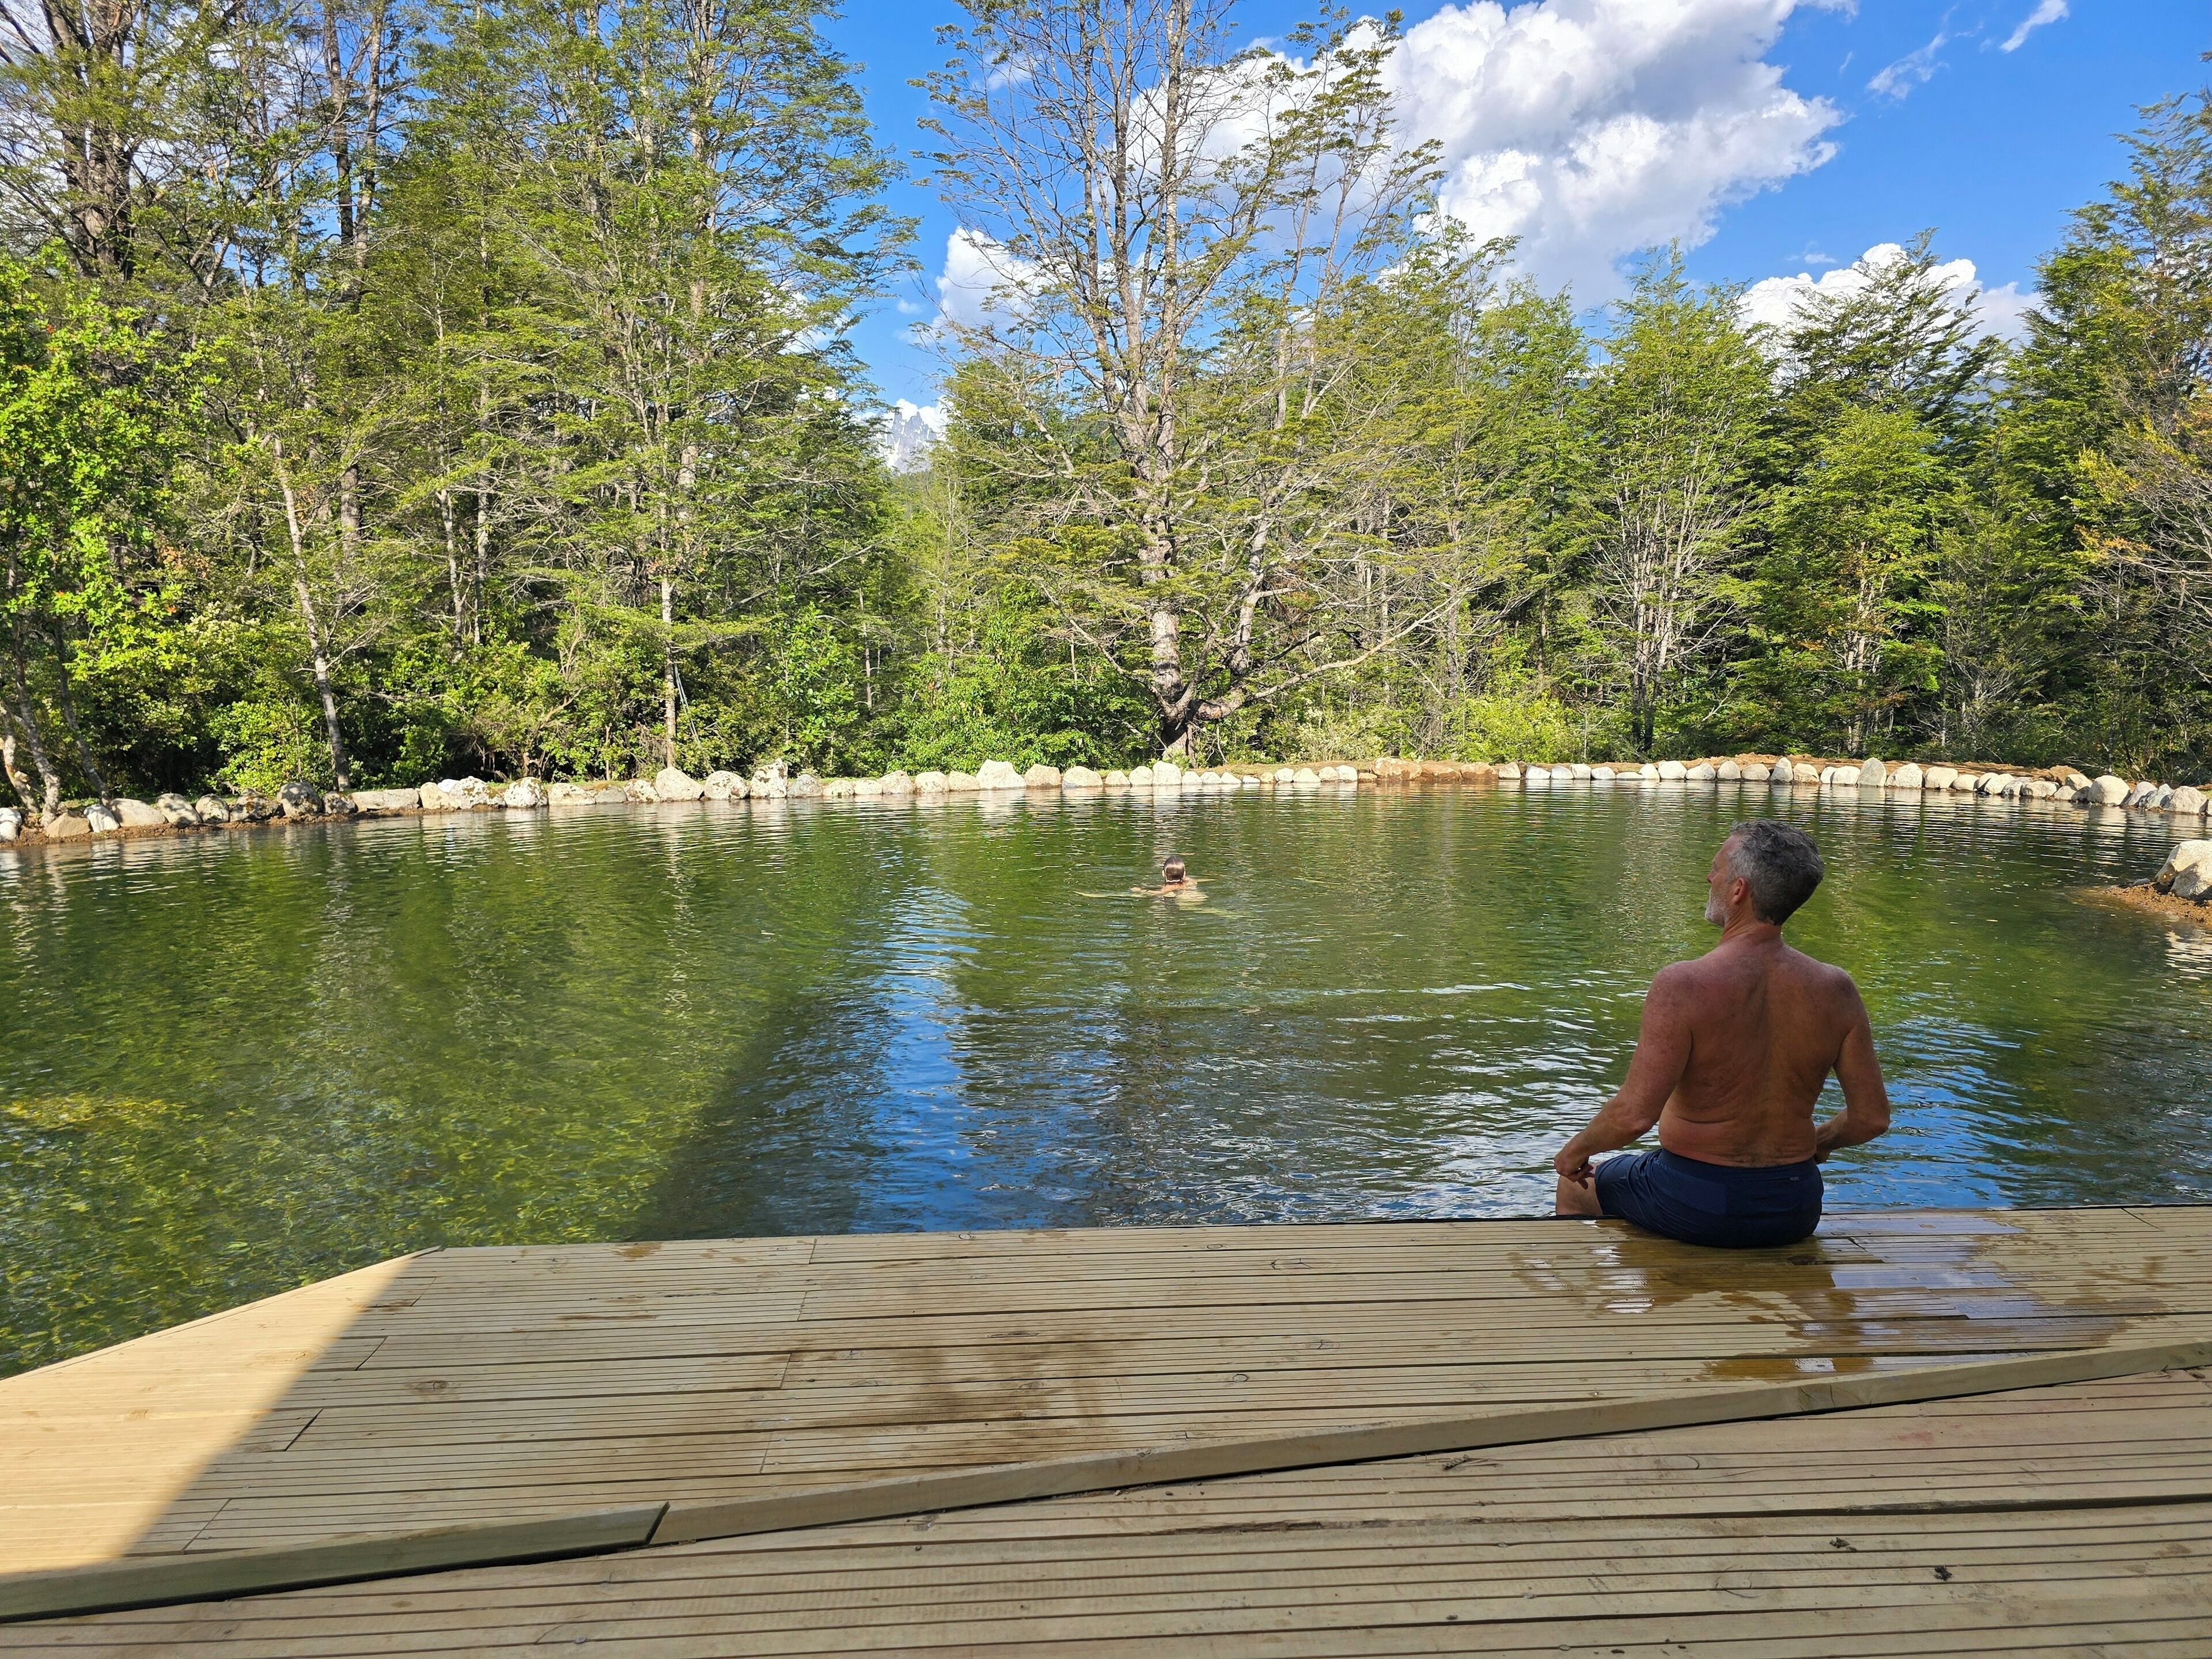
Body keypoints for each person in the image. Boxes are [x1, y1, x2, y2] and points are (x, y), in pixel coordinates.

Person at [1551, 819, 1891, 1248]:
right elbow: (1871, 1118)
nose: (1709, 878)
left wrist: (1574, 1152)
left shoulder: (1683, 984)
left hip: (1698, 1202)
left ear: (1738, 891)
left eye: (1717, 869)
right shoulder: (1836, 989)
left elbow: (1634, 1116)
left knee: (1577, 1186)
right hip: (1796, 1206)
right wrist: (1818, 1141)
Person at [1135, 856, 1203, 900]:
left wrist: (1141, 891)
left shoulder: (1168, 887)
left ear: (1163, 874)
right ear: (1184, 874)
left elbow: (1159, 893)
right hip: (1190, 893)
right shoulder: (1188, 881)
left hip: (1177, 896)